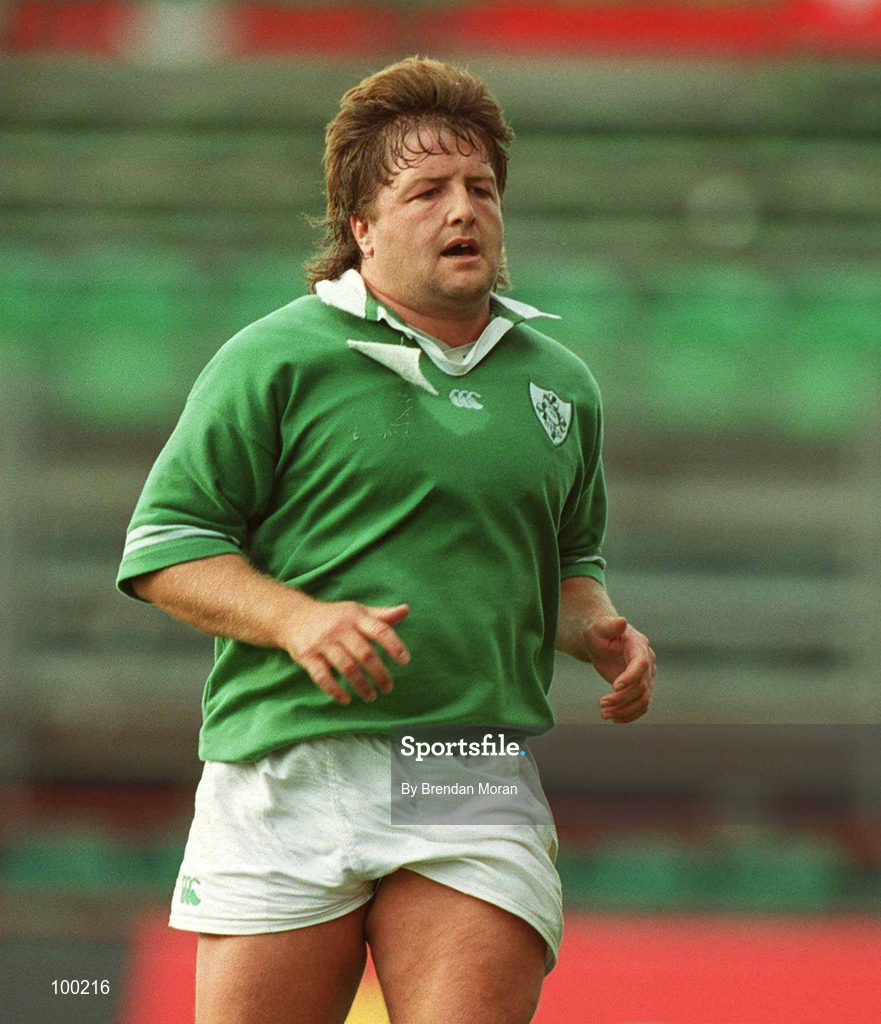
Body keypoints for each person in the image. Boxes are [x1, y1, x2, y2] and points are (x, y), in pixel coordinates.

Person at [116, 55, 656, 1024]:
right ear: (359, 227)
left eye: (480, 188)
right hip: (288, 758)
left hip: (464, 759)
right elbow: (164, 547)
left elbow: (569, 563)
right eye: (427, 191)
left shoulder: (559, 382)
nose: (463, 210)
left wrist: (598, 628)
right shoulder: (272, 356)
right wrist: (296, 621)